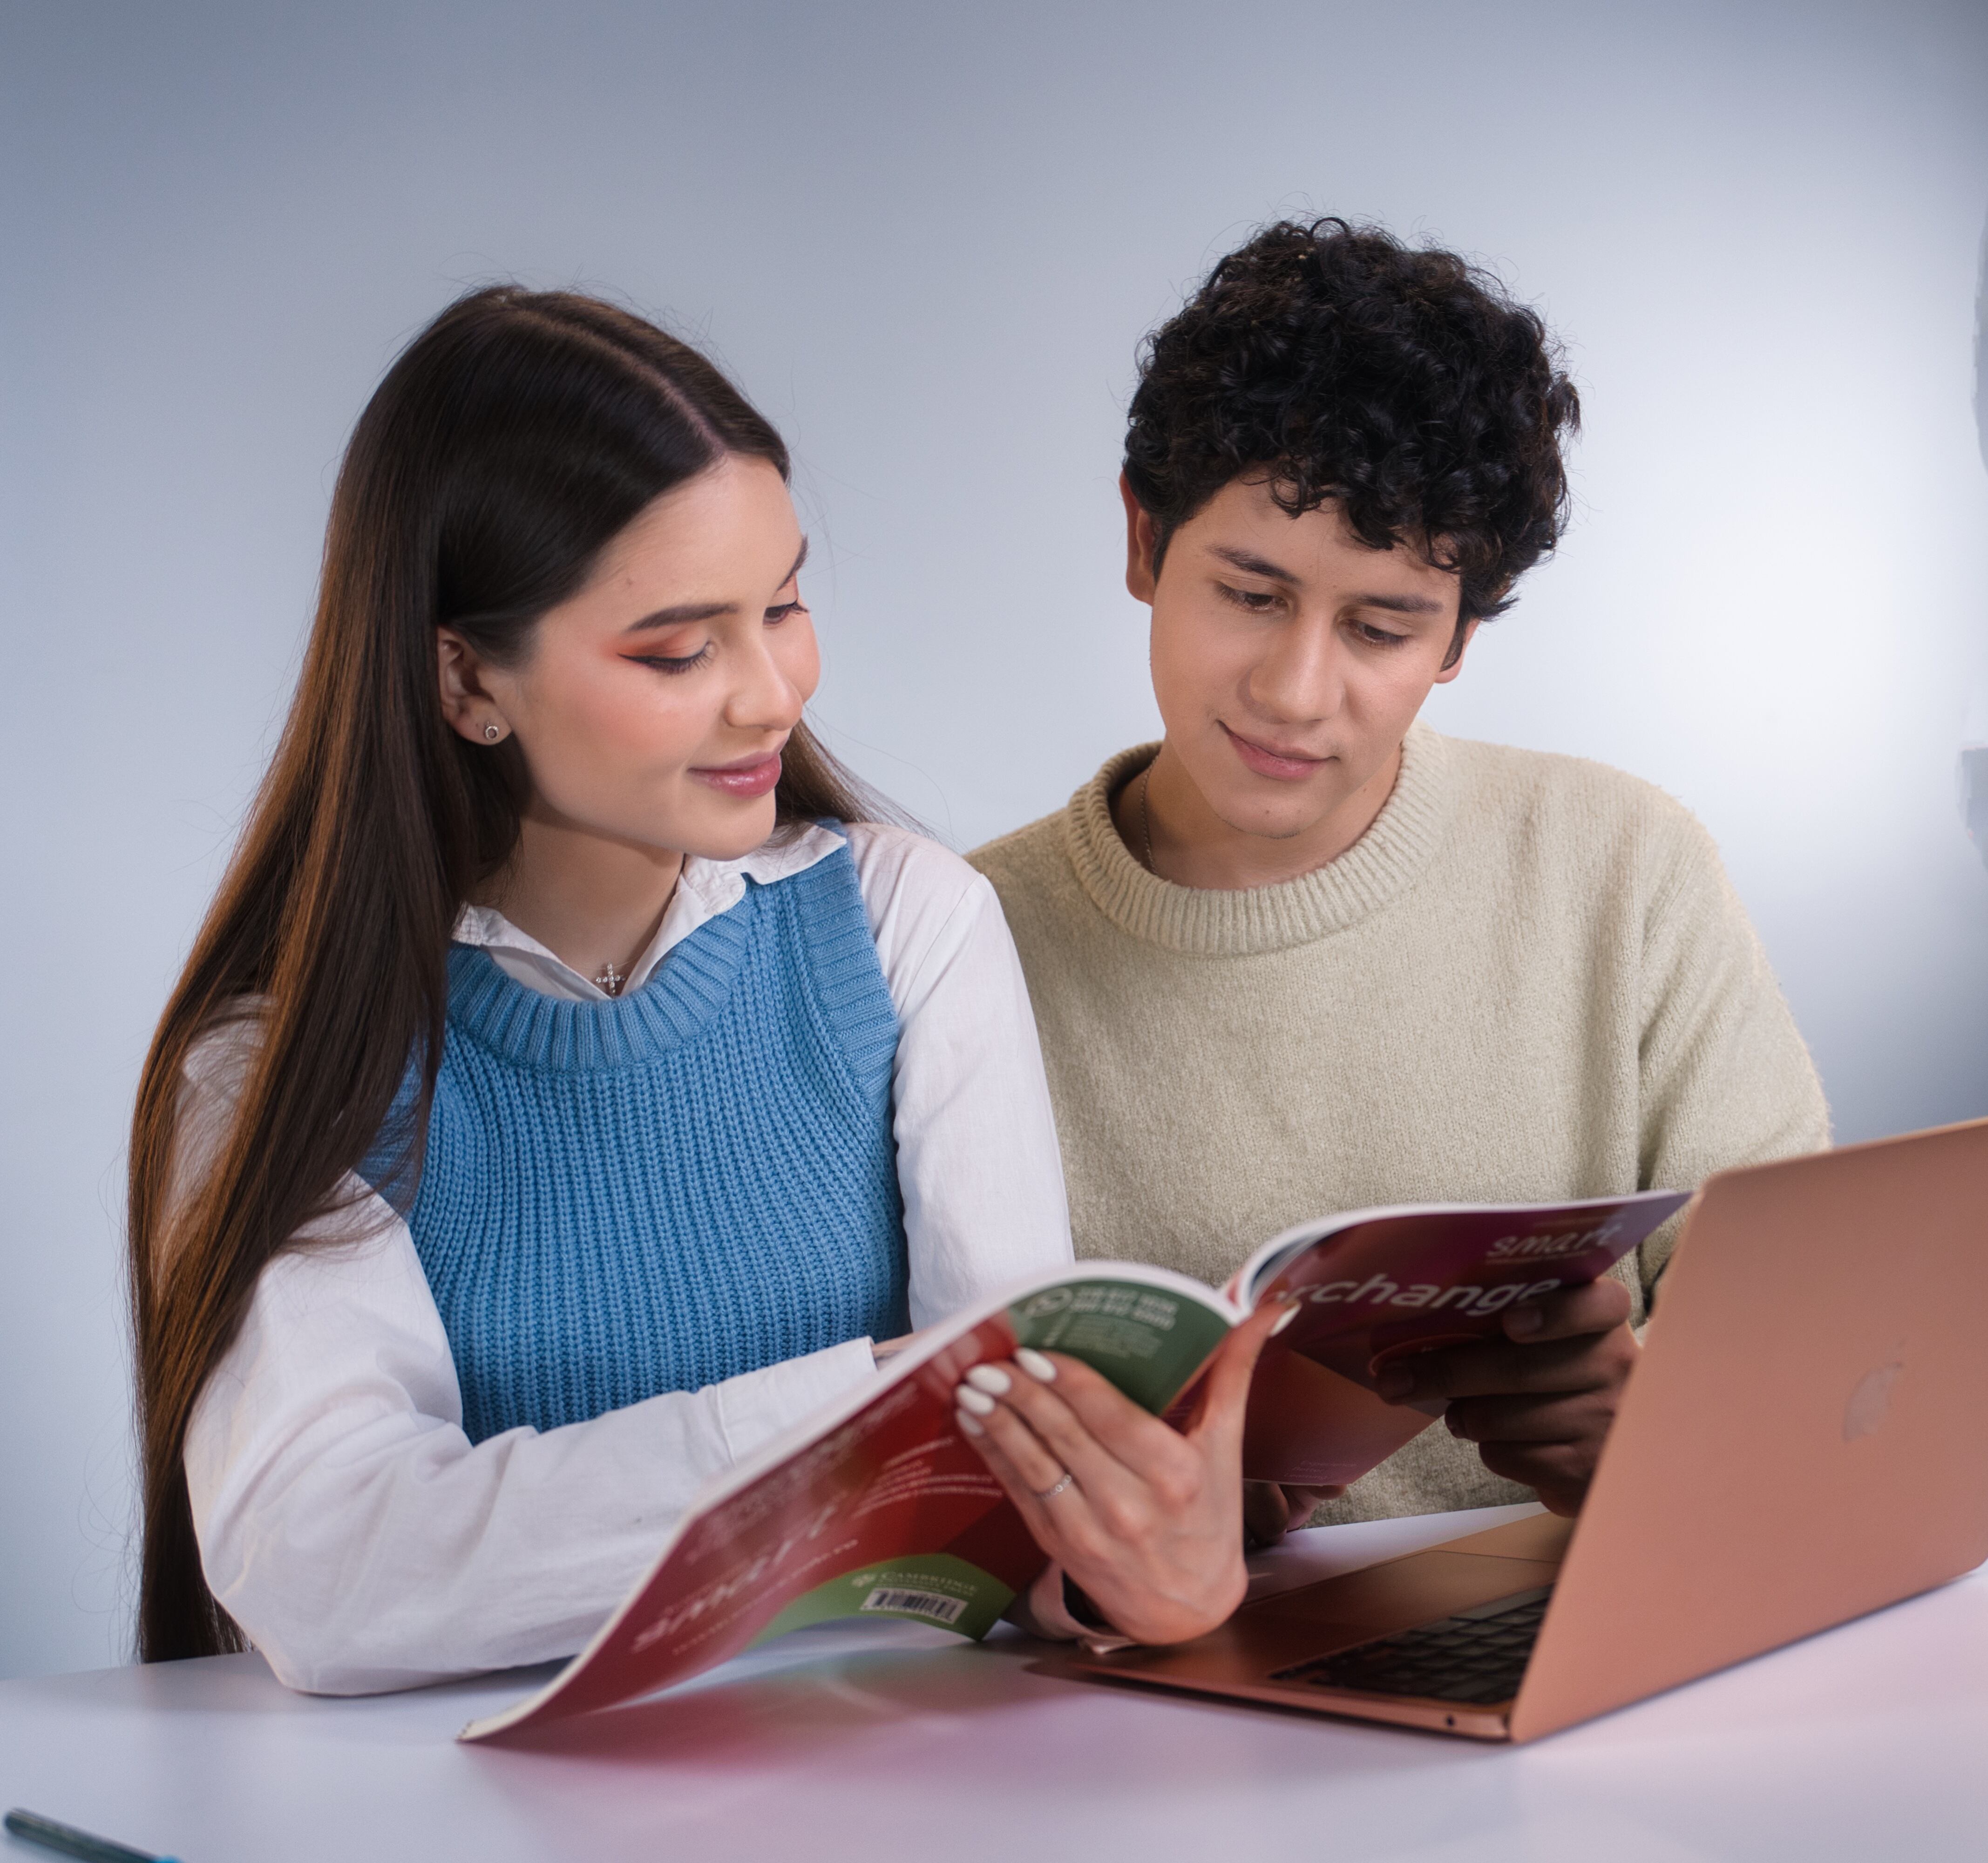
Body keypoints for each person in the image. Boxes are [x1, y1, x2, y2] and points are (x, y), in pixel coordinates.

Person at [128, 288, 1284, 1692]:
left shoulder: (905, 925)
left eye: (784, 605)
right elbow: (334, 1574)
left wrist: (1122, 1565)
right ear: (465, 680)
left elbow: (1005, 1491)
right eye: (677, 648)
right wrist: (859, 1419)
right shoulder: (285, 1069)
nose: (769, 694)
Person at [965, 219, 1831, 1540]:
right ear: (1143, 540)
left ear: (1463, 640)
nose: (1295, 692)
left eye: (1381, 628)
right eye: (1249, 594)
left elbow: (1815, 1400)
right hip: (1140, 1693)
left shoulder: (1624, 869)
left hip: (1568, 1643)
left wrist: (1645, 1433)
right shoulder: (957, 942)